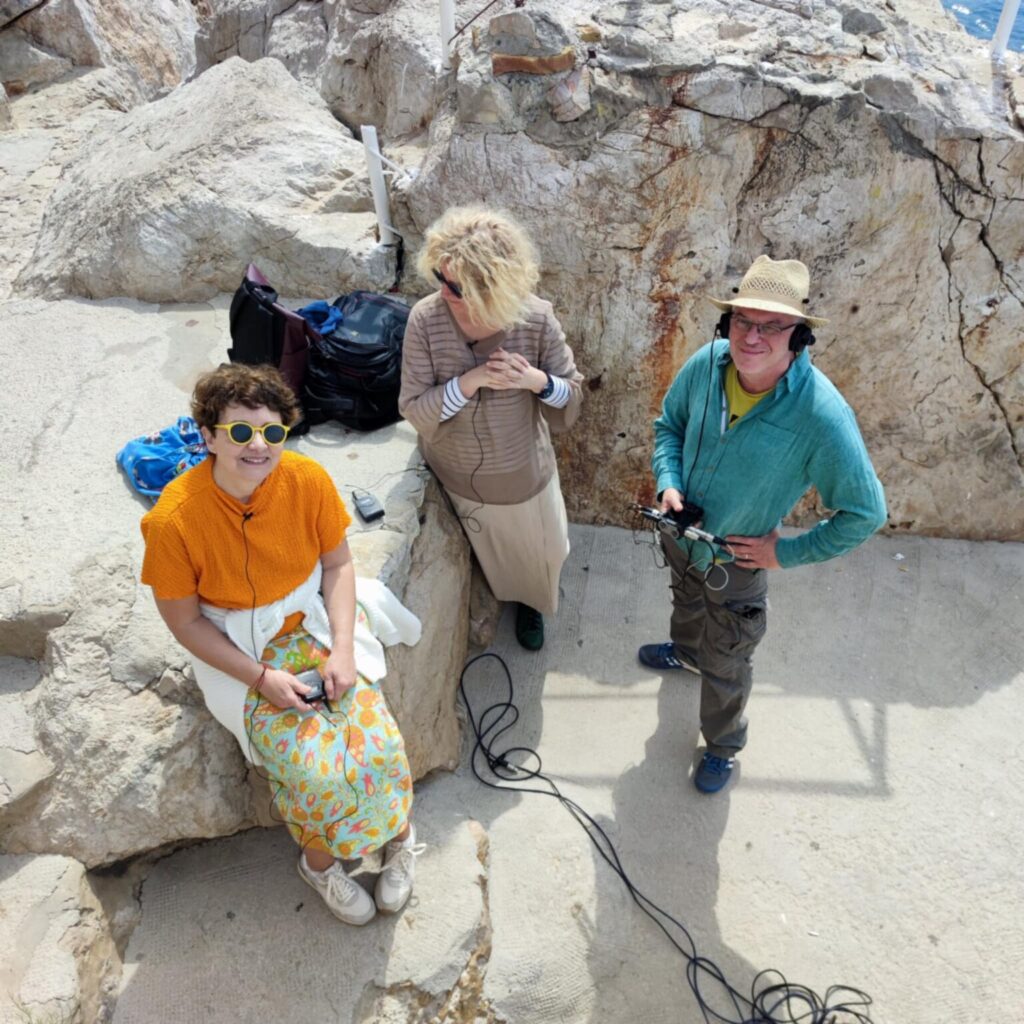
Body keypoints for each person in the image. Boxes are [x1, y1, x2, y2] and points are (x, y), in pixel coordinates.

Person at [140, 363, 422, 925]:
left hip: (314, 623)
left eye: (272, 431)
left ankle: (399, 838)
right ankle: (320, 866)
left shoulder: (306, 479)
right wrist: (261, 678)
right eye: (240, 432)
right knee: (313, 772)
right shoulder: (173, 520)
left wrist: (343, 649)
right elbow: (186, 624)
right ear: (208, 437)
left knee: (381, 745)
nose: (259, 445)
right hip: (237, 648)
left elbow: (338, 564)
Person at [638, 255, 886, 794]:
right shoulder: (706, 362)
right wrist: (668, 482)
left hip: (737, 564)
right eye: (743, 321)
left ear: (800, 336)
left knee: (727, 661)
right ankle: (685, 653)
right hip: (681, 536)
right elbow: (669, 426)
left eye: (773, 325)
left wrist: (784, 553)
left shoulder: (822, 416)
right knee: (686, 606)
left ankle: (722, 747)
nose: (752, 337)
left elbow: (866, 513)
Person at [399, 207, 583, 650]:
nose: (444, 292)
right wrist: (470, 381)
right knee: (490, 551)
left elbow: (571, 395)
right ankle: (504, 592)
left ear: (493, 286)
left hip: (522, 476)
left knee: (542, 553)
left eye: (456, 287)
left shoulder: (535, 318)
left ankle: (533, 603)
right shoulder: (425, 320)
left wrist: (534, 381)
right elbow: (414, 406)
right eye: (440, 278)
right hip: (455, 472)